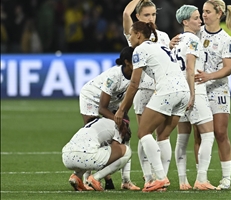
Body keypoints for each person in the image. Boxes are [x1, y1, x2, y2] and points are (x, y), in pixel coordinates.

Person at [114, 21, 191, 192]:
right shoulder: (159, 46)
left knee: (143, 132)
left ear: (139, 35)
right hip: (184, 91)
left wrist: (121, 109)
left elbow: (134, 84)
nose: (130, 37)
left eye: (132, 34)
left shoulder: (140, 50)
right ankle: (160, 181)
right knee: (163, 136)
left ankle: (160, 178)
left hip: (168, 90)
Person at [192, 0, 231, 190]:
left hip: (218, 89)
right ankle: (201, 177)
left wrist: (208, 76)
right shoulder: (196, 34)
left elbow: (228, 68)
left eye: (207, 12)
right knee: (199, 135)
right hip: (198, 89)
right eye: (203, 12)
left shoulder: (225, 39)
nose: (203, 15)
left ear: (219, 14)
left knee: (220, 133)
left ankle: (226, 178)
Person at [122, 0, 173, 184]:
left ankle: (161, 175)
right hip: (143, 89)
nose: (151, 19)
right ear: (138, 18)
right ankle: (148, 177)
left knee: (162, 134)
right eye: (146, 15)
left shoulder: (164, 37)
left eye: (153, 15)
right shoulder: (134, 35)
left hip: (163, 89)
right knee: (145, 133)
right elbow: (126, 13)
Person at [79, 46, 140, 191]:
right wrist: (117, 120)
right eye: (135, 61)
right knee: (95, 136)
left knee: (125, 136)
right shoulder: (113, 76)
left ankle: (126, 181)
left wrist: (124, 119)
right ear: (127, 62)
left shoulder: (137, 74)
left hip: (114, 103)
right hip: (91, 98)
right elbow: (102, 108)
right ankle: (86, 180)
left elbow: (129, 98)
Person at [172, 5, 218, 191]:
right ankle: (201, 179)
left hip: (177, 93)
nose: (200, 20)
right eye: (195, 17)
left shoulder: (176, 41)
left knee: (182, 139)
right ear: (185, 22)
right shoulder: (192, 40)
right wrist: (192, 93)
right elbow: (190, 69)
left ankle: (183, 182)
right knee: (208, 135)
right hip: (194, 91)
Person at [62, 117, 132, 191]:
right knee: (127, 151)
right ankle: (95, 178)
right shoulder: (118, 125)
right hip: (87, 156)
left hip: (66, 156)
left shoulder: (96, 122)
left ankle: (77, 176)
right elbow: (115, 149)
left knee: (91, 150)